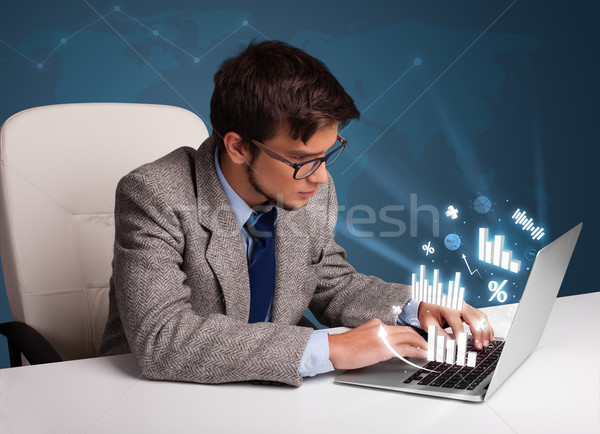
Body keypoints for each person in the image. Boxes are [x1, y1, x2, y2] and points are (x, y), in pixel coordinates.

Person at [99, 40, 494, 386]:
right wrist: (330, 348)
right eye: (303, 159)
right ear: (238, 147)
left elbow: (329, 282)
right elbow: (162, 338)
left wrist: (415, 307)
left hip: (273, 393)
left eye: (327, 154)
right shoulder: (154, 194)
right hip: (155, 394)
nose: (322, 177)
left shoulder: (307, 187)